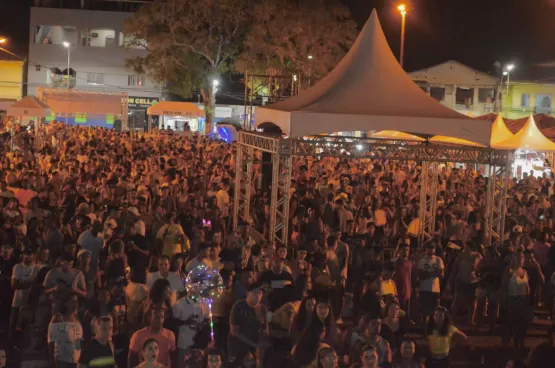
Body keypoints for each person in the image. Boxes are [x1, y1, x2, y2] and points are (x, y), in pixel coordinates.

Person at [228, 282, 270, 363]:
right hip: (240, 348)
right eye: (255, 293)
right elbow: (234, 332)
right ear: (248, 293)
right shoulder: (238, 307)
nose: (258, 296)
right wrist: (254, 344)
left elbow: (266, 330)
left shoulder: (263, 309)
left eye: (260, 293)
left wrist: (263, 344)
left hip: (256, 347)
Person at [10, 247, 41, 337]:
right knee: (13, 324)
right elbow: (14, 285)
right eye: (25, 254)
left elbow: (37, 285)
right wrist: (30, 283)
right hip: (17, 301)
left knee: (28, 327)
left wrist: (22, 282)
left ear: (34, 256)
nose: (27, 257)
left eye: (29, 254)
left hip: (30, 302)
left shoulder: (37, 268)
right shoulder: (17, 267)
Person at [48, 293, 84, 368]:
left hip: (75, 360)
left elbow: (78, 340)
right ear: (66, 303)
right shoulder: (58, 318)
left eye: (77, 301)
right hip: (61, 360)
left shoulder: (77, 319)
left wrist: (79, 357)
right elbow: (51, 340)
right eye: (73, 301)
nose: (76, 303)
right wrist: (52, 359)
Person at [417, 243, 444, 324]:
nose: (431, 250)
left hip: (435, 289)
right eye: (429, 248)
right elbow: (420, 275)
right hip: (424, 289)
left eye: (432, 248)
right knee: (425, 311)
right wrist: (433, 273)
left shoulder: (438, 259)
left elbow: (441, 274)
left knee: (435, 311)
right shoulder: (422, 260)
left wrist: (427, 273)